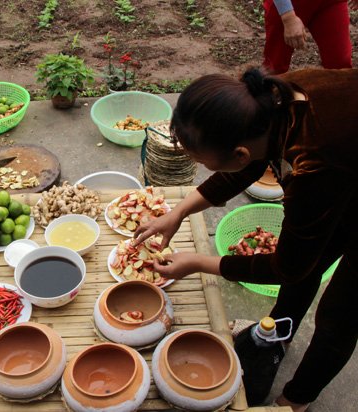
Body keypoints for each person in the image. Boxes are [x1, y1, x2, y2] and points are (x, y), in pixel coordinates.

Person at [133, 68, 358, 411]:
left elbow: (287, 267)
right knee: (311, 259)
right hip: (346, 170)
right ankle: (276, 335)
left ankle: (296, 399)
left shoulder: (313, 166)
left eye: (206, 163)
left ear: (237, 153)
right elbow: (247, 165)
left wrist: (196, 263)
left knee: (339, 314)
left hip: (340, 169)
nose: (210, 170)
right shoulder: (266, 101)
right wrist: (178, 212)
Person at [263, 0, 354, 74]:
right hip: (289, 4)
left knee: (340, 64)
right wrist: (288, 18)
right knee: (275, 66)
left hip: (329, 3)